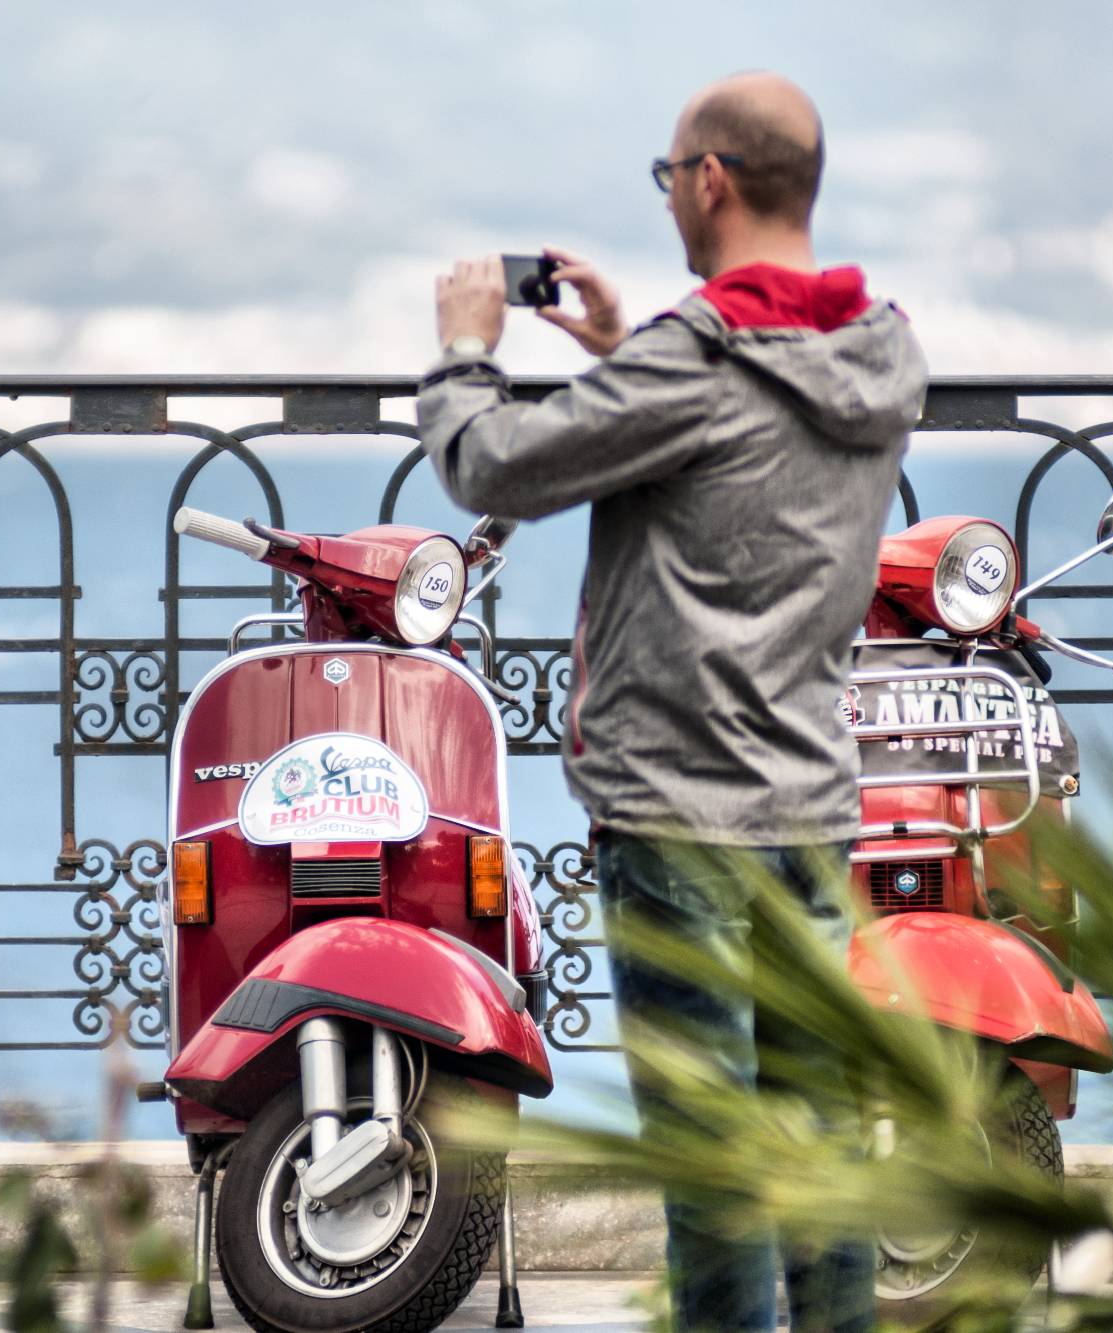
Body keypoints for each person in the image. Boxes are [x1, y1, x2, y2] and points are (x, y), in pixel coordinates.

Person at [416, 71, 927, 1333]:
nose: (666, 201)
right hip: (810, 805)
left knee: (713, 1173)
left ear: (708, 180)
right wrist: (622, 348)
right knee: (819, 1149)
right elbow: (736, 418)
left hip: (676, 820)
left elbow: (491, 463)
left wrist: (466, 350)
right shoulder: (880, 352)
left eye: (667, 177)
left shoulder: (690, 364)